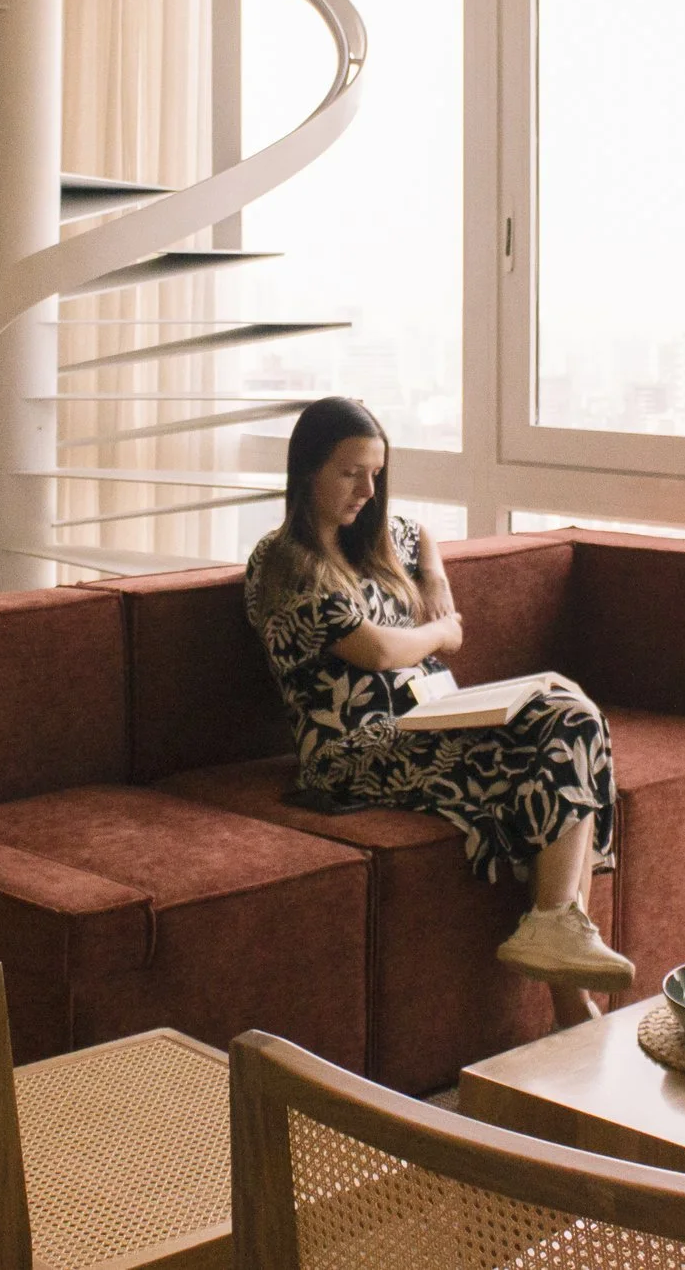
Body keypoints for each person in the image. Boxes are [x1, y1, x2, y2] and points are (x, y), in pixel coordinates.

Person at [243, 396, 631, 1024]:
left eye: (377, 473)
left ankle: (559, 953)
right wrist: (444, 632)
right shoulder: (282, 563)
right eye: (350, 473)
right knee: (568, 730)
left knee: (571, 714)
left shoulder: (372, 539)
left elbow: (418, 531)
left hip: (427, 722)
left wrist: (434, 581)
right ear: (307, 469)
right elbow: (373, 650)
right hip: (350, 751)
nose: (368, 489)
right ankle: (566, 980)